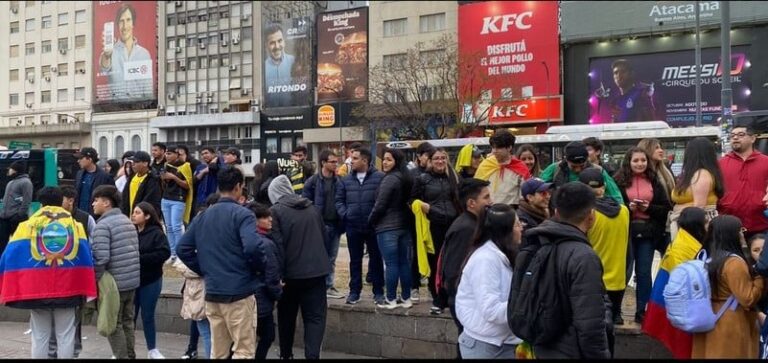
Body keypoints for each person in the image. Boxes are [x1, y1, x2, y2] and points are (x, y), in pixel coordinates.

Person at [176, 167, 268, 359]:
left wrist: (205, 268)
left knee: (218, 352)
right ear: (238, 187)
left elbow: (182, 248)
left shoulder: (203, 215)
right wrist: (257, 269)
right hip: (239, 292)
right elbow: (253, 247)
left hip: (213, 291)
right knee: (243, 350)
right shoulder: (243, 214)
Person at [0, 186, 96, 359]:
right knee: (66, 335)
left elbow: (9, 255)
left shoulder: (26, 226)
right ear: (61, 201)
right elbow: (86, 257)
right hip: (68, 288)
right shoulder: (75, 226)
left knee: (40, 336)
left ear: (40, 203)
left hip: (36, 290)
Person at [521, 182, 611, 359]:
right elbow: (590, 323)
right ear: (591, 216)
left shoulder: (535, 242)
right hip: (571, 349)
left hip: (542, 344)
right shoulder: (583, 256)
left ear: (556, 212)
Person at [269, 174, 330, 359]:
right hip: (317, 272)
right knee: (315, 318)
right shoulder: (312, 208)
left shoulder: (275, 211)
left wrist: (277, 275)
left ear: (275, 194)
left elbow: (277, 246)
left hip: (290, 275)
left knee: (287, 316)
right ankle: (312, 356)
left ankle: (286, 354)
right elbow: (324, 237)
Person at [692, 215, 765, 359]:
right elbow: (747, 298)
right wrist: (760, 278)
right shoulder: (733, 262)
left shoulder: (703, 256)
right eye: (740, 230)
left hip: (705, 317)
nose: (742, 233)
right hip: (729, 322)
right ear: (731, 234)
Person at [613, 147, 672, 324]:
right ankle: (616, 311)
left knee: (644, 272)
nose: (640, 164)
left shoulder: (655, 181)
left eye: (643, 160)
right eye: (636, 160)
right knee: (623, 272)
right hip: (625, 232)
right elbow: (612, 206)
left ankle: (642, 311)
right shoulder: (618, 181)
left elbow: (665, 207)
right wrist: (627, 208)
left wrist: (649, 208)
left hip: (647, 233)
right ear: (628, 162)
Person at [456, 204, 522, 358]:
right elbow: (491, 310)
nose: (521, 228)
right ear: (505, 231)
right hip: (485, 346)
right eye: (517, 224)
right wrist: (525, 305)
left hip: (504, 341)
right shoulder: (485, 260)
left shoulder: (503, 255)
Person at [642, 207, 709, 359]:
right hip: (676, 309)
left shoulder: (685, 241)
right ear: (696, 225)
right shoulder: (684, 248)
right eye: (705, 222)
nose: (708, 226)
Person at [440, 178, 492, 358]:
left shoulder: (473, 224)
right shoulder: (466, 229)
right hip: (464, 303)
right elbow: (454, 270)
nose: (490, 202)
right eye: (486, 197)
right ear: (471, 203)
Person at [91, 185, 141, 359]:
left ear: (106, 203)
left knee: (113, 324)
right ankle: (130, 355)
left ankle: (122, 356)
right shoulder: (127, 221)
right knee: (127, 322)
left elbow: (101, 258)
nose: (93, 204)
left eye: (96, 200)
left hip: (114, 285)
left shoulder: (103, 226)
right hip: (131, 281)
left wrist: (94, 281)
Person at [410, 148, 462, 315]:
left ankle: (451, 296)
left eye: (443, 158)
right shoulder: (422, 179)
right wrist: (422, 206)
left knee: (453, 261)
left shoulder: (453, 178)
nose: (440, 161)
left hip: (453, 225)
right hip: (433, 225)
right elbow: (411, 200)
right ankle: (437, 297)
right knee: (436, 263)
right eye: (436, 158)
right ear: (430, 161)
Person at [579, 168, 630, 332]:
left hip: (595, 281)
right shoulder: (624, 211)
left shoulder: (587, 214)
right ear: (604, 187)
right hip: (619, 280)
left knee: (597, 330)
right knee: (611, 329)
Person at [335, 147, 385, 305]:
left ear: (365, 160)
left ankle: (378, 292)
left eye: (355, 158)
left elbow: (383, 200)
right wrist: (346, 214)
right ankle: (354, 292)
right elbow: (338, 201)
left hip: (373, 226)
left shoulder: (380, 178)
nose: (351, 161)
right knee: (355, 261)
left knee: (376, 259)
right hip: (353, 226)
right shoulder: (346, 180)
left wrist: (376, 217)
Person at [177, 193, 221, 360]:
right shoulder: (208, 225)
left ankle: (193, 349)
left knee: (209, 330)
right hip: (201, 287)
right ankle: (193, 349)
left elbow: (183, 252)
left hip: (202, 288)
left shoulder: (203, 225)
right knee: (208, 330)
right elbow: (182, 256)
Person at [369, 148, 414, 308]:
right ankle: (407, 297)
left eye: (389, 159)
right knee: (404, 263)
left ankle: (390, 298)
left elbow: (380, 204)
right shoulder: (406, 178)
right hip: (404, 226)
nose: (385, 162)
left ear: (396, 161)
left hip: (387, 227)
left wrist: (371, 220)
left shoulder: (390, 179)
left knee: (391, 264)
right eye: (384, 159)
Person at [302, 149, 344, 299]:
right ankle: (318, 286)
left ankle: (328, 285)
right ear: (323, 163)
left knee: (332, 257)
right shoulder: (313, 182)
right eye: (332, 162)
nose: (335, 164)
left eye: (336, 161)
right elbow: (306, 203)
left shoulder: (339, 181)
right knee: (318, 256)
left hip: (336, 224)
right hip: (319, 225)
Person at [131, 202, 170, 359]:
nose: (133, 215)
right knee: (129, 316)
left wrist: (139, 259)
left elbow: (163, 253)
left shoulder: (156, 233)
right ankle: (126, 348)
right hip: (133, 280)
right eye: (133, 212)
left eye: (138, 212)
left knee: (147, 315)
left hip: (151, 280)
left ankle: (152, 349)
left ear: (147, 216)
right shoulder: (131, 232)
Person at [718, 125, 768, 239]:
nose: (735, 138)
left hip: (761, 225)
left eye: (741, 135)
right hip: (728, 226)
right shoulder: (720, 164)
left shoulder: (766, 162)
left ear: (753, 138)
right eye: (732, 136)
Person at [670, 137, 724, 239]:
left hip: (693, 226)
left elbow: (698, 207)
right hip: (686, 222)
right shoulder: (695, 173)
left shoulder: (701, 174)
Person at [247, 202, 282, 361]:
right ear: (256, 220)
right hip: (261, 300)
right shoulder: (266, 244)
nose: (270, 220)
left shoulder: (246, 238)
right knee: (267, 335)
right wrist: (278, 292)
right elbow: (271, 275)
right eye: (265, 217)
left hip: (245, 297)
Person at [540, 141, 624, 205]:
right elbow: (536, 188)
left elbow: (617, 198)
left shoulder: (598, 170)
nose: (577, 170)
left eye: (582, 166)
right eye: (573, 166)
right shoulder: (555, 169)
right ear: (566, 159)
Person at [98, 3, 153, 100]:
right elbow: (104, 69)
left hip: (140, 110)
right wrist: (106, 56)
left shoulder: (144, 54)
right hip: (114, 110)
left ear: (133, 23)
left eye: (128, 20)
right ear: (117, 25)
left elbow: (148, 91)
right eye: (121, 21)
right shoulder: (110, 51)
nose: (124, 26)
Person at [406, 141, 435, 301]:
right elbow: (408, 198)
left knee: (432, 253)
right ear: (419, 157)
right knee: (415, 254)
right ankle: (414, 286)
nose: (431, 160)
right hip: (416, 220)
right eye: (428, 157)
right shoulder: (412, 174)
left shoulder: (437, 174)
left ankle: (432, 286)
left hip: (434, 218)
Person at [475, 129, 530, 208]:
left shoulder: (520, 168)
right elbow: (476, 190)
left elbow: (524, 197)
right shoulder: (486, 164)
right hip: (488, 212)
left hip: (510, 213)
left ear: (509, 147)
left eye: (498, 148)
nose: (494, 151)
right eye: (493, 147)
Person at [160, 147, 193, 261]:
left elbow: (187, 185)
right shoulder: (166, 166)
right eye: (166, 154)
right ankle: (172, 253)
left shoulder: (185, 166)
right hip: (166, 198)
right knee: (168, 227)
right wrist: (164, 179)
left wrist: (173, 177)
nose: (167, 156)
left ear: (176, 154)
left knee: (176, 226)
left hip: (178, 199)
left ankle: (180, 254)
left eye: (169, 154)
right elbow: (164, 185)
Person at [0, 161, 33, 253]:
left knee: (18, 243)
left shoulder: (26, 182)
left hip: (15, 219)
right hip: (4, 218)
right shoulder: (10, 182)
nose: (9, 170)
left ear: (15, 170)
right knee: (2, 243)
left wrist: (19, 216)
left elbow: (26, 201)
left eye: (10, 168)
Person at [74, 147, 115, 216]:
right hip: (80, 215)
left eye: (81, 158)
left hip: (96, 216)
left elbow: (112, 198)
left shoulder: (105, 177)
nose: (78, 161)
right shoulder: (79, 174)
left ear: (90, 159)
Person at [264, 22, 296, 107]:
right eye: (272, 43)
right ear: (266, 45)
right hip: (269, 117)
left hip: (295, 115)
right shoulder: (262, 69)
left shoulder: (294, 62)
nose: (277, 46)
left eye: (279, 41)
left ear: (284, 42)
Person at [120, 151, 161, 218]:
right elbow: (125, 197)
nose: (133, 164)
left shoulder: (152, 179)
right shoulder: (132, 177)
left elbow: (151, 201)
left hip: (143, 217)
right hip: (129, 217)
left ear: (145, 163)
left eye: (136, 162)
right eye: (132, 162)